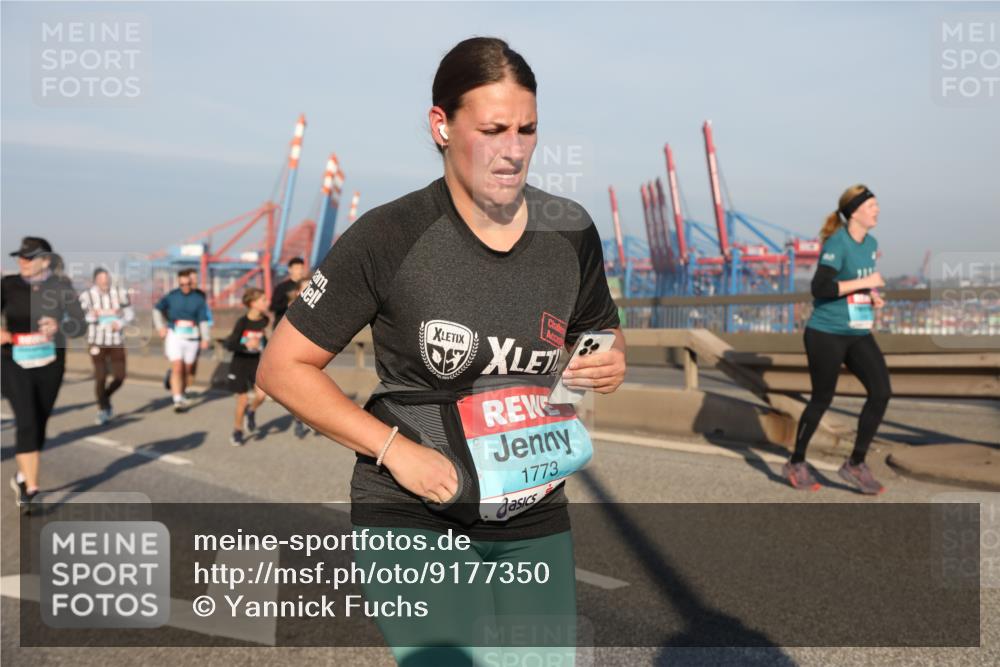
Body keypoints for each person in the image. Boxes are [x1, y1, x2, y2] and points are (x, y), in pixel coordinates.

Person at [258, 37, 626, 664]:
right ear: (441, 125)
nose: (513, 150)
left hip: (532, 507)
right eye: (492, 129)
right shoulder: (389, 235)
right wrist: (395, 452)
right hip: (414, 508)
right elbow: (282, 367)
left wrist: (610, 359)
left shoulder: (571, 229)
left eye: (527, 129)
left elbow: (599, 333)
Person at [783, 184, 891, 495]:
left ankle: (855, 463)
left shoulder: (870, 243)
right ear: (855, 211)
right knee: (822, 398)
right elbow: (822, 288)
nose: (878, 210)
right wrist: (866, 282)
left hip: (856, 332)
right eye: (872, 206)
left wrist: (870, 295)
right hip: (825, 333)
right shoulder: (837, 242)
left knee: (881, 392)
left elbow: (853, 284)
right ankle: (796, 461)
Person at [2, 237, 86, 509]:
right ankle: (31, 488)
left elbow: (80, 325)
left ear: (46, 260)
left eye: (29, 257)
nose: (22, 262)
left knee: (39, 420)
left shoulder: (61, 287)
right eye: (20, 257)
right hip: (13, 360)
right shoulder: (8, 284)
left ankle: (22, 476)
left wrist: (60, 325)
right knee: (26, 419)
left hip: (50, 363)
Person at [80, 267, 134, 425]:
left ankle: (105, 397)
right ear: (95, 281)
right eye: (102, 281)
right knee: (101, 376)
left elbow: (130, 313)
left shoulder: (120, 294)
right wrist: (92, 316)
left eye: (107, 280)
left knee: (120, 377)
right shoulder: (87, 296)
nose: (105, 283)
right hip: (96, 341)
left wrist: (120, 322)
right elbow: (79, 315)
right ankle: (103, 409)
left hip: (116, 340)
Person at [153, 268, 211, 412]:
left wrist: (205, 338)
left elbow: (203, 320)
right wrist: (160, 327)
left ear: (191, 283)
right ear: (178, 283)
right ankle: (177, 399)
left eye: (188, 284)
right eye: (182, 284)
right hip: (175, 335)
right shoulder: (171, 296)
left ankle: (178, 385)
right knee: (178, 366)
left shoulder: (199, 299)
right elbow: (156, 309)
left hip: (192, 337)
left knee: (187, 370)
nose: (185, 287)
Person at [223, 288, 269, 446]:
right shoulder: (242, 322)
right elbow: (230, 344)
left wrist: (264, 345)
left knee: (262, 395)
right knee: (242, 400)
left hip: (256, 363)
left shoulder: (265, 321)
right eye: (263, 300)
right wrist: (246, 343)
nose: (266, 302)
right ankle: (237, 431)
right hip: (240, 364)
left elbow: (265, 340)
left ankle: (252, 411)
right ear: (253, 303)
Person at [269, 256, 306, 327]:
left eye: (301, 268)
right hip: (283, 324)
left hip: (301, 324)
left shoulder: (307, 285)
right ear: (290, 269)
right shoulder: (282, 287)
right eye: (297, 268)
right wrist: (288, 304)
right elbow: (273, 307)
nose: (300, 271)